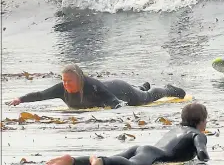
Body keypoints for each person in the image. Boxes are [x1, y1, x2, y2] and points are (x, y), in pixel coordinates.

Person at [45, 103, 210, 165]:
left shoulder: (177, 129)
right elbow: (202, 153)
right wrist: (209, 163)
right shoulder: (198, 135)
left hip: (142, 149)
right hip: (152, 154)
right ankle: (101, 160)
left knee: (115, 159)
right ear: (202, 121)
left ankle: (74, 161)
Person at [6, 64, 186, 109]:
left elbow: (114, 101)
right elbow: (40, 94)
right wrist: (19, 99)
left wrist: (120, 109)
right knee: (141, 90)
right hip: (113, 88)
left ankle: (169, 89)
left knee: (145, 98)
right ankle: (141, 85)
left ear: (80, 79)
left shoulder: (92, 86)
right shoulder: (61, 88)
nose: (66, 84)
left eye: (70, 81)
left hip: (120, 89)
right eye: (64, 81)